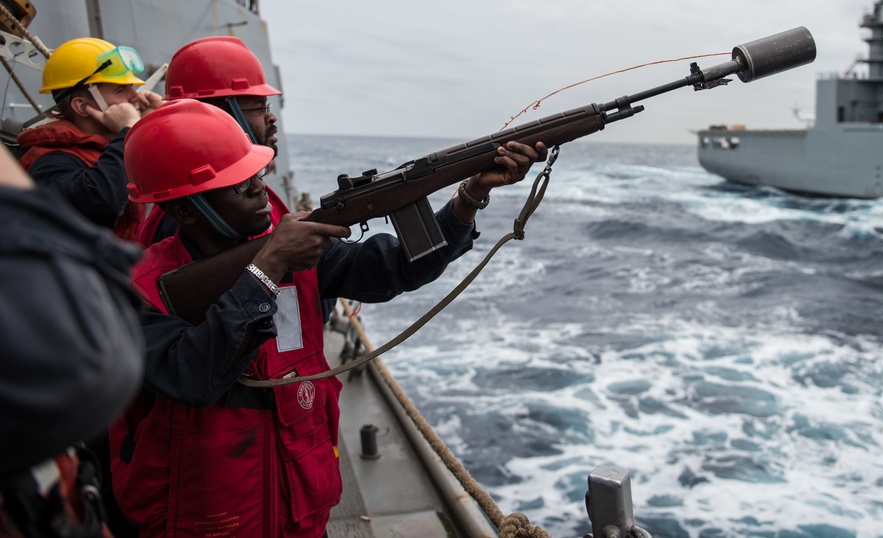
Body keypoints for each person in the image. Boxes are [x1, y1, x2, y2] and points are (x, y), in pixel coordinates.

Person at [110, 100, 546, 537]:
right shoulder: (138, 288)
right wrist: (267, 270)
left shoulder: (295, 248)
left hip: (299, 505)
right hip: (202, 519)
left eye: (258, 176)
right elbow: (190, 375)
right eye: (240, 186)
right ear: (185, 211)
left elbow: (395, 268)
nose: (261, 190)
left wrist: (469, 198)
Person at [0, 144, 145, 537]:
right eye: (118, 90)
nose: (131, 95)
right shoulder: (54, 162)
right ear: (83, 103)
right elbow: (89, 362)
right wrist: (127, 134)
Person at [134, 36, 281, 247]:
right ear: (219, 114)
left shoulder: (200, 206)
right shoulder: (191, 217)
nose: (271, 118)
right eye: (259, 107)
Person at [16, 37, 162, 241]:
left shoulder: (114, 145)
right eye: (120, 90)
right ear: (81, 106)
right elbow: (101, 201)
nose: (135, 97)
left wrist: (157, 121)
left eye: (132, 87)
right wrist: (128, 129)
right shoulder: (48, 162)